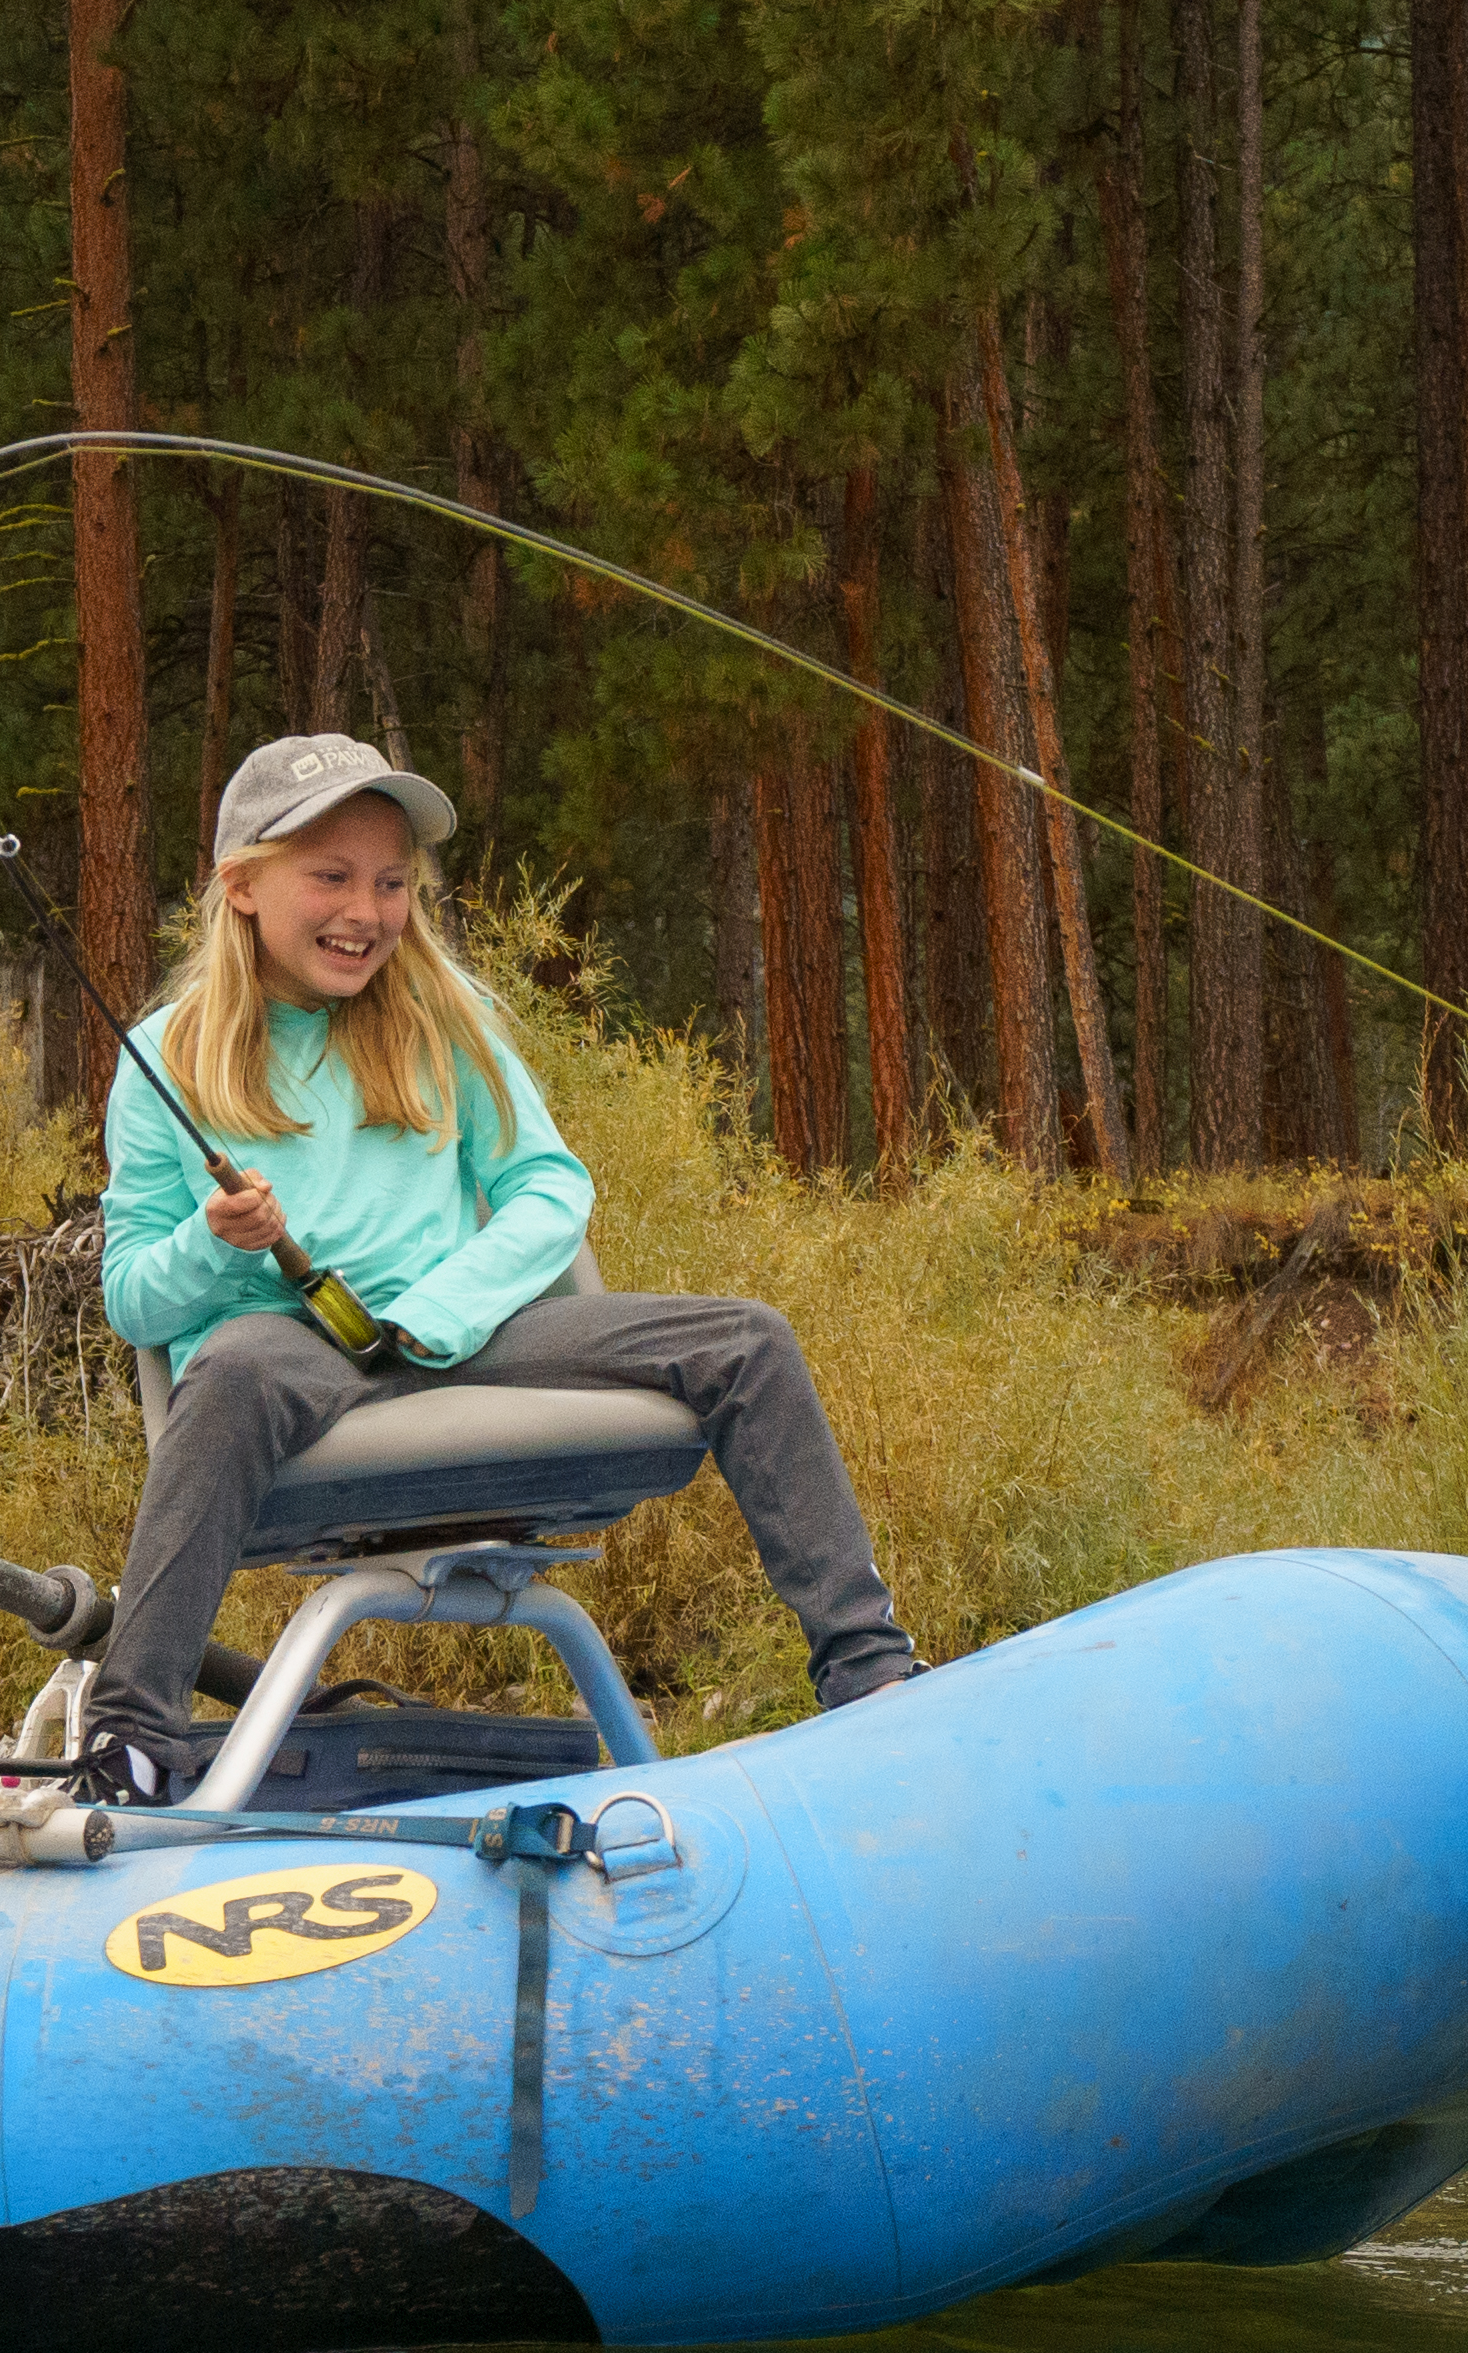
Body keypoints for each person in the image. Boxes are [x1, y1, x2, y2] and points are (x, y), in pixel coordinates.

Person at [90, 729, 914, 1774]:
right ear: (243, 884)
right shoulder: (165, 1057)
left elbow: (547, 1188)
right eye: (331, 877)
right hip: (290, 1363)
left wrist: (439, 1311)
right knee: (241, 1364)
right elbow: (132, 1303)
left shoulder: (449, 1017)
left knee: (746, 1344)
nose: (366, 912)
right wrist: (213, 1244)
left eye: (391, 882)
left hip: (461, 1333)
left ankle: (870, 1672)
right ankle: (129, 1737)